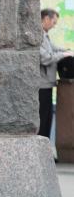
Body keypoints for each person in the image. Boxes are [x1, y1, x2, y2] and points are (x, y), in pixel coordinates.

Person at [39, 8, 73, 138]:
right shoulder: (38, 36)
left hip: (47, 85)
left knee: (47, 120)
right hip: (41, 86)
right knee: (43, 121)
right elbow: (45, 58)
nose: (54, 26)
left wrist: (67, 51)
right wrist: (64, 54)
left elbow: (54, 48)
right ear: (46, 18)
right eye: (54, 22)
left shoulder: (45, 35)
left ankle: (45, 150)